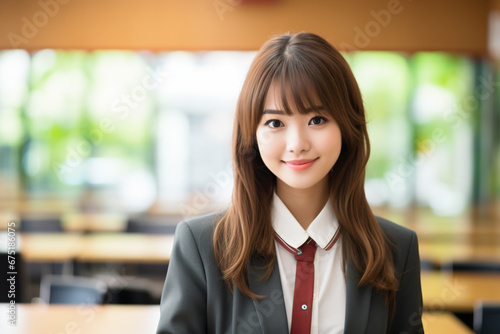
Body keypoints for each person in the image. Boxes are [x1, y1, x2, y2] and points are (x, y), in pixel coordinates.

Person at [157, 32, 424, 334]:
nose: (297, 144)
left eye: (317, 119)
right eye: (275, 123)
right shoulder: (202, 246)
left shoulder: (397, 249)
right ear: (252, 135)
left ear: (348, 126)